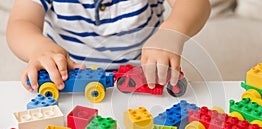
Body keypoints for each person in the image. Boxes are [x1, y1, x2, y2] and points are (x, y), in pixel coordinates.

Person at [6, 0, 211, 92]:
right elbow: (21, 23)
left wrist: (172, 31)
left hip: (144, 79)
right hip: (67, 79)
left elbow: (195, 3)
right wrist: (38, 47)